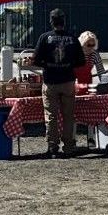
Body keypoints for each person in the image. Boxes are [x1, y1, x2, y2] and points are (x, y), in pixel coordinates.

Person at [29, 9, 84, 158]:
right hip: (68, 81)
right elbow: (81, 61)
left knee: (51, 116)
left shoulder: (44, 37)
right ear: (64, 22)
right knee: (68, 116)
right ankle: (68, 147)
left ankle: (53, 146)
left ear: (51, 22)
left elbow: (35, 60)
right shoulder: (72, 38)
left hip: (50, 81)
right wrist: (69, 64)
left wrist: (47, 64)